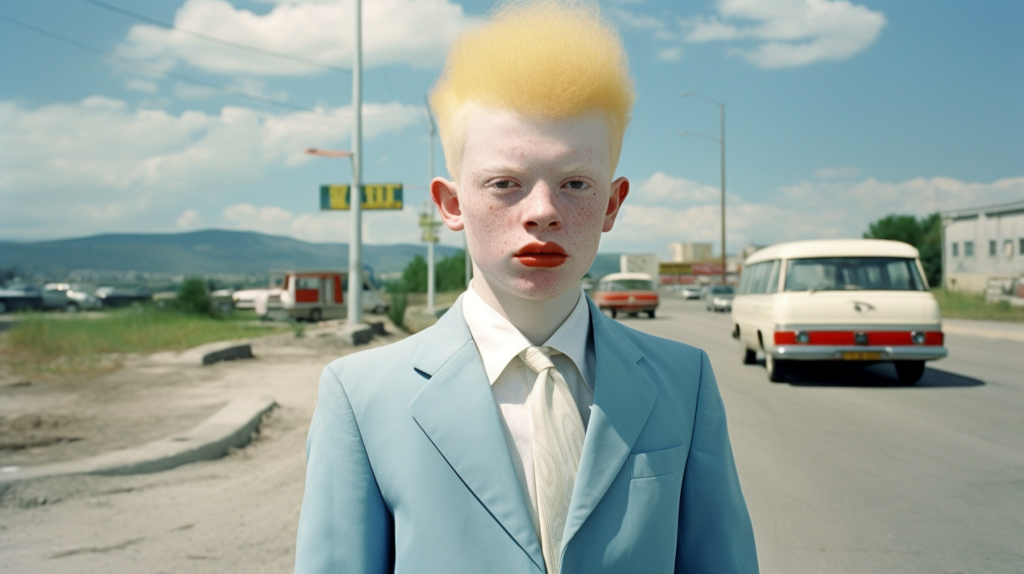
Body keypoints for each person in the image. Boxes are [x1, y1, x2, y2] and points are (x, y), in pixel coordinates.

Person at [294, 2, 758, 572]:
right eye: (505, 183)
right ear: (451, 203)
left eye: (576, 183)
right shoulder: (362, 397)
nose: (542, 212)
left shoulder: (684, 383)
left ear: (612, 204)